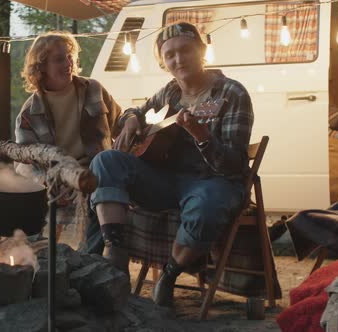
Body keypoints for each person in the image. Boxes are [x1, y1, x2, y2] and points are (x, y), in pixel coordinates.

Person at [89, 22, 254, 307]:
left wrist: (200, 134)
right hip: (167, 180)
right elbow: (135, 111)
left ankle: (169, 273)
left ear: (201, 51)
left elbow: (233, 164)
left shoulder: (231, 93)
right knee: (106, 160)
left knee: (208, 205)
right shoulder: (169, 94)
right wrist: (130, 119)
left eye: (186, 50)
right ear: (163, 62)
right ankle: (115, 253)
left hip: (212, 180)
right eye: (170, 55)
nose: (179, 59)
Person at [14, 31, 122, 245]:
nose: (68, 63)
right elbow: (22, 164)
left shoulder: (94, 89)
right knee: (37, 232)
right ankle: (54, 265)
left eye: (70, 56)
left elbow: (120, 122)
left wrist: (133, 122)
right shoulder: (28, 113)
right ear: (41, 67)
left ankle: (91, 262)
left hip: (97, 174)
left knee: (103, 202)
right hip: (59, 182)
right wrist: (46, 182)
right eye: (59, 59)